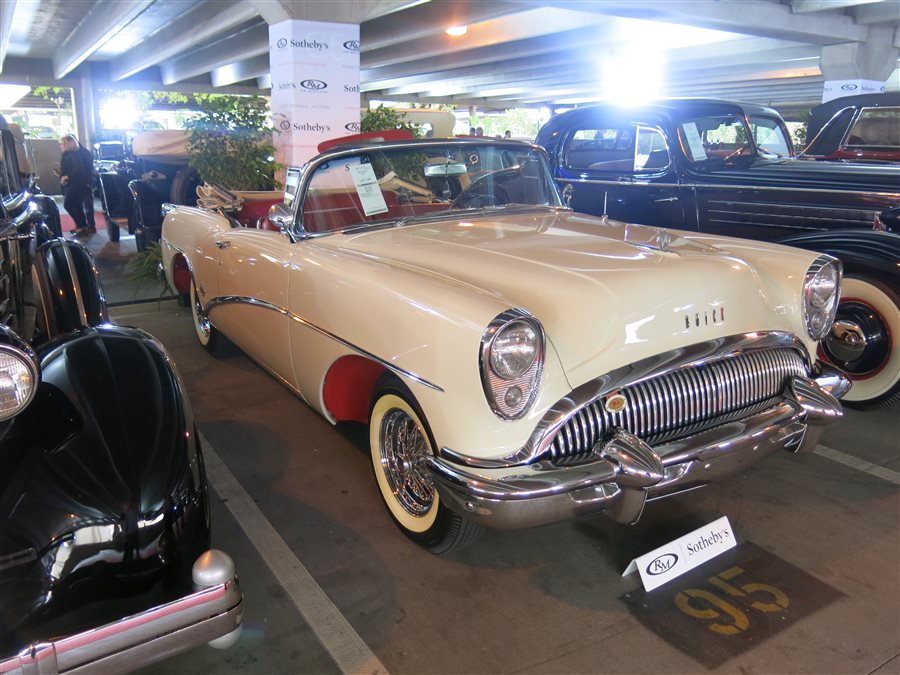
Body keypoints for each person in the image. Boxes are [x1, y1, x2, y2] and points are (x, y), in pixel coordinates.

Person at [58, 134, 94, 236]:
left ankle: (81, 225)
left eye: (62, 144)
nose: (60, 146)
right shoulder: (74, 154)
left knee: (68, 205)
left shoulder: (71, 155)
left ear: (67, 144)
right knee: (77, 205)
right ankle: (82, 227)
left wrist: (66, 176)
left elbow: (77, 169)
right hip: (79, 183)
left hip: (76, 184)